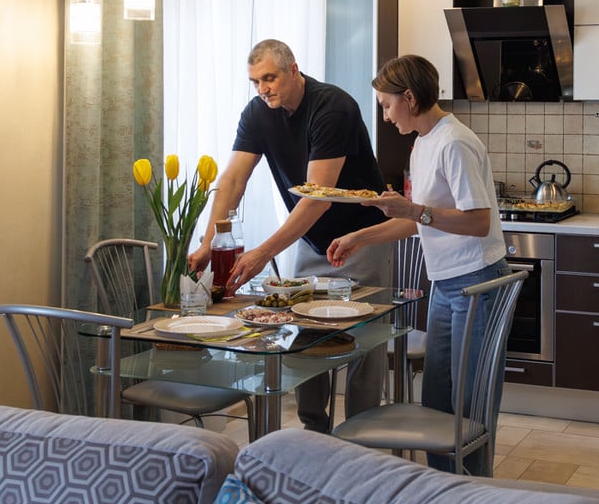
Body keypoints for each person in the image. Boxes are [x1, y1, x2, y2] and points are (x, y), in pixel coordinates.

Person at [188, 39, 392, 433]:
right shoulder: (257, 113)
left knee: (365, 340)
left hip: (364, 236)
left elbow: (318, 198)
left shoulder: (332, 107)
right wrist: (208, 243)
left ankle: (361, 438)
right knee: (302, 333)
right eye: (255, 81)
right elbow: (232, 181)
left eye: (270, 78)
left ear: (294, 70)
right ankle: (314, 434)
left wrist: (264, 252)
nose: (263, 88)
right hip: (313, 240)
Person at [327, 54, 508, 474]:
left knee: (469, 406)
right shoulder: (424, 142)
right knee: (438, 403)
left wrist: (412, 209)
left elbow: (478, 222)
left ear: (409, 97)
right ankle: (441, 489)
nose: (386, 116)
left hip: (477, 282)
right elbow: (419, 220)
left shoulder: (454, 142)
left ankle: (474, 490)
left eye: (387, 105)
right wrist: (359, 238)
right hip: (445, 283)